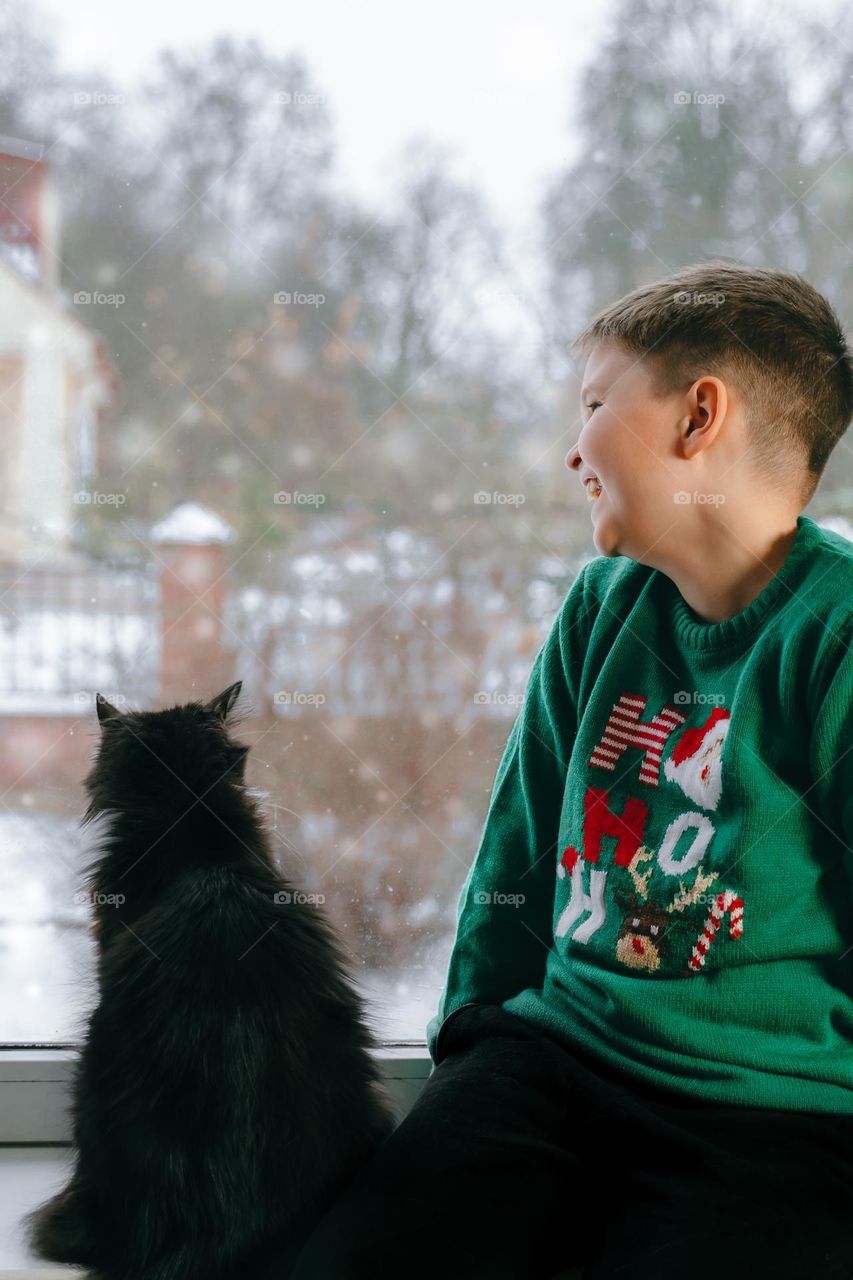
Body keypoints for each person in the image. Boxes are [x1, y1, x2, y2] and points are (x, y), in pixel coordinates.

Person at [288, 260, 853, 1280]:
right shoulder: (601, 610)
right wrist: (474, 1041)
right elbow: (516, 846)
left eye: (594, 402)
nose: (569, 449)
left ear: (697, 418)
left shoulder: (836, 632)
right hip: (548, 1066)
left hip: (775, 1113)